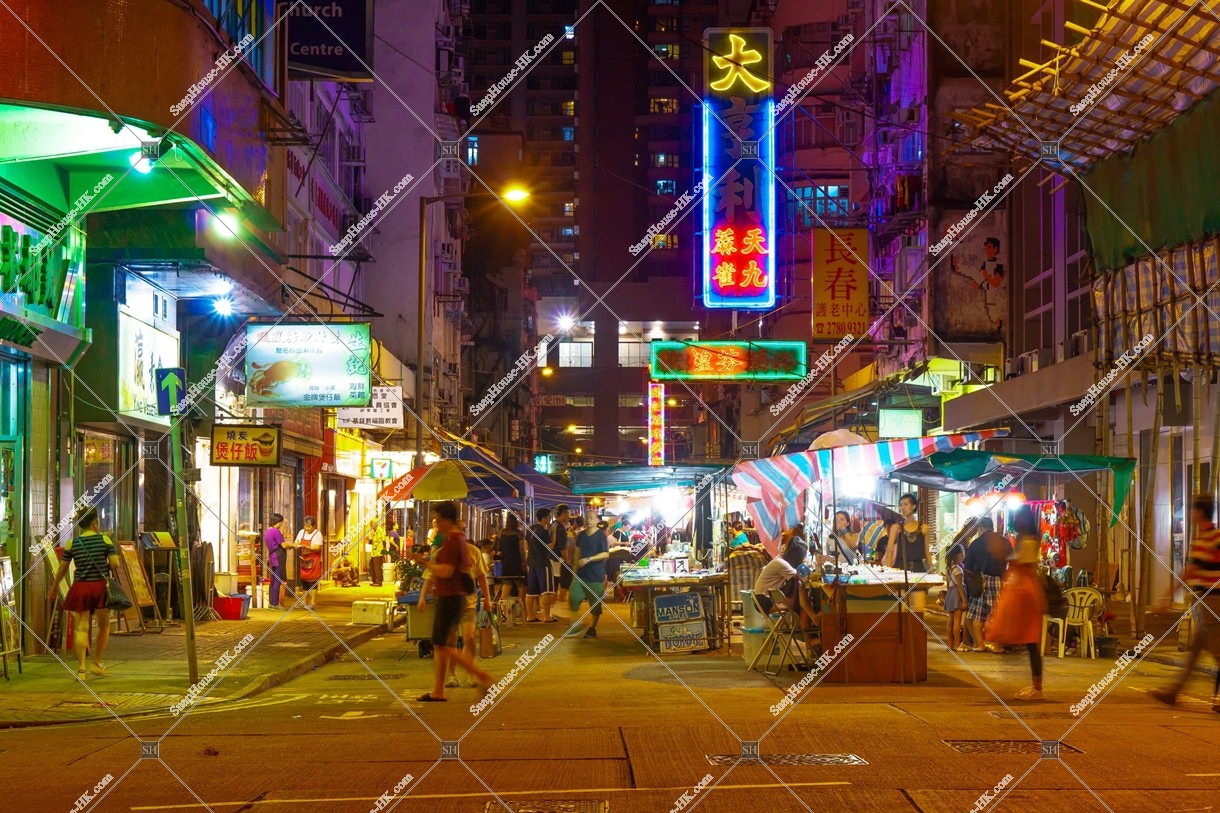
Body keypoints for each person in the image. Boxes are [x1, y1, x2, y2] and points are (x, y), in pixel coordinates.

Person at [409, 501, 493, 702]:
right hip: (454, 597)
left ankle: (481, 675)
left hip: (450, 597)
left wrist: (423, 561)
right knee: (441, 644)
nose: (437, 526)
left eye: (439, 521)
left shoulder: (453, 543)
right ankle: (438, 690)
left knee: (443, 644)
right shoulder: (458, 540)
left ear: (448, 520)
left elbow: (446, 572)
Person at [1150, 494, 1220, 712]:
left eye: (1192, 509)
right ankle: (1174, 692)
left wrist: (1166, 597)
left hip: (1211, 600)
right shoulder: (1216, 537)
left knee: (1216, 652)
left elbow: (1188, 573)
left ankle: (1174, 693)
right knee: (1196, 649)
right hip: (1210, 599)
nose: (1191, 513)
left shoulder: (1204, 540)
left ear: (1199, 512)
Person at [985, 506, 1047, 700]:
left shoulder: (1028, 542)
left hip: (1026, 595)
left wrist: (1002, 553)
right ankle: (1036, 686)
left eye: (1019, 519)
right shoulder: (1025, 540)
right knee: (1030, 642)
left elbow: (1021, 562)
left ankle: (1037, 688)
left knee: (1031, 641)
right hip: (1024, 592)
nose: (1017, 522)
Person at [49, 508, 120, 679]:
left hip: (80, 588)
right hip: (100, 587)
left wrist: (54, 587)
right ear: (95, 523)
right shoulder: (104, 540)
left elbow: (62, 569)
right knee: (104, 626)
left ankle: (81, 669)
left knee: (81, 628)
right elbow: (115, 564)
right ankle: (97, 662)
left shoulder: (72, 543)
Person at [444, 534, 494, 688]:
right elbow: (432, 577)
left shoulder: (473, 551)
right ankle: (452, 675)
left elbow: (481, 576)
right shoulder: (442, 552)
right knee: (451, 640)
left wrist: (487, 598)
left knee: (469, 637)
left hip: (469, 602)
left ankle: (469, 673)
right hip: (449, 602)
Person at [965, 517, 1010, 652]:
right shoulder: (1004, 541)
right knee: (998, 614)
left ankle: (980, 644)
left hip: (981, 580)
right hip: (998, 580)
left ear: (981, 528)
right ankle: (997, 646)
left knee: (977, 615)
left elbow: (968, 567)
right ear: (992, 527)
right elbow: (1012, 561)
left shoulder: (975, 544)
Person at [569, 510, 609, 638]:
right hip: (581, 574)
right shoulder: (581, 535)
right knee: (574, 597)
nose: (589, 520)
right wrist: (574, 571)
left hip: (596, 575)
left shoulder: (601, 535)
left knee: (595, 605)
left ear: (597, 520)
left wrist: (588, 559)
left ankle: (592, 628)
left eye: (592, 517)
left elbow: (606, 554)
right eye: (587, 517)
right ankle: (576, 624)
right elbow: (577, 553)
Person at [525, 507, 558, 623]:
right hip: (543, 562)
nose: (550, 519)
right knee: (546, 591)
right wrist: (554, 534)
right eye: (549, 516)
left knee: (530, 592)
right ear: (544, 518)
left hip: (531, 562)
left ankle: (530, 616)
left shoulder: (530, 529)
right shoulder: (543, 531)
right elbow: (550, 546)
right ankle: (546, 616)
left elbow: (526, 545)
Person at [885, 493, 932, 572]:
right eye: (901, 505)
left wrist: (931, 571)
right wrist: (889, 570)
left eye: (905, 504)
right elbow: (889, 551)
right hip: (900, 568)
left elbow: (927, 552)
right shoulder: (896, 527)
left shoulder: (924, 528)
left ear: (913, 506)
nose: (902, 508)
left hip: (919, 568)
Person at [294, 515, 324, 609]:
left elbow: (318, 548)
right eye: (305, 526)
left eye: (309, 527)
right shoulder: (301, 532)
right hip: (304, 560)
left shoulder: (318, 534)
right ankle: (304, 601)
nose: (306, 528)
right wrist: (296, 545)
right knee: (304, 581)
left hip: (314, 561)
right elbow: (296, 542)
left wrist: (307, 547)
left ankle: (313, 603)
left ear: (314, 526)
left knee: (313, 582)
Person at [497, 514, 527, 601]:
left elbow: (498, 547)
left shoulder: (501, 532)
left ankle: (502, 605)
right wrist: (524, 561)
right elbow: (521, 548)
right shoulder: (518, 533)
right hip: (516, 560)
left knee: (507, 583)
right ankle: (521, 605)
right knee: (520, 584)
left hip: (505, 561)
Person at [944, 543, 967, 652]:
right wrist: (964, 600)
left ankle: (950, 644)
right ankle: (957, 644)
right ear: (959, 555)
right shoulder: (958, 569)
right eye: (963, 553)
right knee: (957, 620)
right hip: (957, 594)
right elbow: (959, 586)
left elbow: (948, 585)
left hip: (950, 594)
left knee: (950, 621)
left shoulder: (949, 568)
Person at [264, 513, 289, 609]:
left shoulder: (268, 532)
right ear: (277, 522)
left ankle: (271, 602)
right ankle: (275, 603)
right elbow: (284, 545)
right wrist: (294, 546)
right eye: (280, 522)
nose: (281, 524)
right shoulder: (276, 531)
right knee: (277, 581)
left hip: (272, 557)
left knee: (273, 580)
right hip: (278, 557)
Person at [552, 504, 573, 605]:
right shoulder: (560, 528)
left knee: (555, 581)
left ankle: (554, 602)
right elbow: (562, 547)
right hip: (558, 559)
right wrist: (567, 559)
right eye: (568, 514)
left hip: (552, 557)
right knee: (563, 579)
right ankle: (558, 600)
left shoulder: (553, 525)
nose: (569, 516)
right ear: (563, 513)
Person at [368, 519, 388, 587]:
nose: (370, 526)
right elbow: (373, 542)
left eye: (371, 524)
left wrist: (384, 552)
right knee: (372, 567)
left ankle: (378, 582)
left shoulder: (380, 531)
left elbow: (384, 541)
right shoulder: (374, 531)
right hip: (374, 553)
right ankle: (374, 581)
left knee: (377, 568)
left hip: (379, 552)